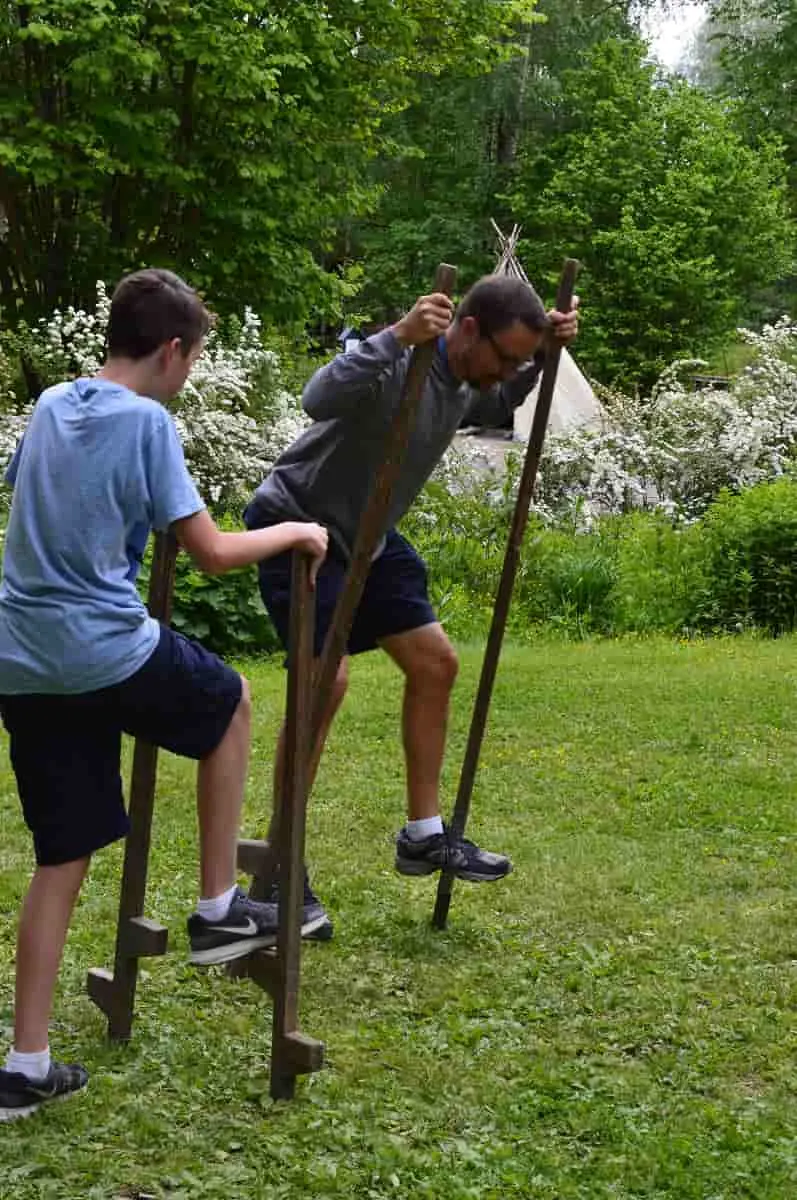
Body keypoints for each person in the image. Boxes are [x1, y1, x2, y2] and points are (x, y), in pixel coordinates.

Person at [0, 269, 328, 1122]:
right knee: (230, 703)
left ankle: (23, 1064)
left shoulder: (48, 407)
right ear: (174, 350)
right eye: (193, 359)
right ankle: (218, 906)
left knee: (60, 858)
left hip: (22, 660)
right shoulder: (149, 421)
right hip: (102, 648)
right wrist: (296, 529)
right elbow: (212, 551)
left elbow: (47, 499)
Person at [244, 274, 579, 937]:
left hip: (369, 536)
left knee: (434, 663)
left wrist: (546, 355)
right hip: (299, 526)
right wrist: (396, 333)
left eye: (520, 360)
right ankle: (279, 865)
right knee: (323, 682)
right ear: (467, 329)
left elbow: (503, 391)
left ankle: (423, 835)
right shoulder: (406, 358)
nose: (508, 372)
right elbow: (318, 396)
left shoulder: (466, 380)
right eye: (505, 356)